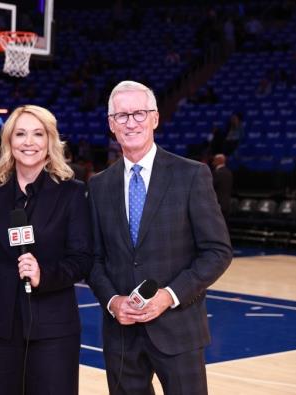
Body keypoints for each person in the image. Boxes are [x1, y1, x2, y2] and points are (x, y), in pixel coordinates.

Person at [87, 80, 232, 395]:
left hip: (178, 329)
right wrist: (113, 302)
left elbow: (217, 252)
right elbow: (94, 260)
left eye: (139, 113)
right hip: (121, 334)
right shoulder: (98, 185)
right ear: (111, 125)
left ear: (155, 118)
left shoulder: (192, 175)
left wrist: (169, 295)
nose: (131, 122)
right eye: (122, 116)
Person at [0, 105, 93, 394]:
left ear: (50, 140)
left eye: (38, 134)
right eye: (20, 134)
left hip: (55, 332)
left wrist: (43, 275)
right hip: (2, 331)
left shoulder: (72, 193)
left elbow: (81, 259)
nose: (29, 142)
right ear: (9, 141)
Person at [212, 154, 233, 221]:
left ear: (219, 161)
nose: (213, 162)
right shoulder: (229, 172)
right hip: (226, 204)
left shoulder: (218, 173)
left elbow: (210, 187)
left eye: (214, 160)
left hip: (217, 204)